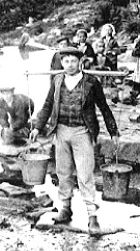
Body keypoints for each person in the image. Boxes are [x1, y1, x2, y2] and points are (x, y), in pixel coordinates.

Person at [30, 48, 120, 236]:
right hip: (61, 131)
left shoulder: (91, 82)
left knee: (85, 174)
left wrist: (113, 131)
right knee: (63, 172)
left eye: (73, 61)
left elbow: (103, 107)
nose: (69, 64)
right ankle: (65, 208)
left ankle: (92, 217)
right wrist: (38, 127)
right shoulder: (57, 80)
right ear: (62, 63)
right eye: (66, 61)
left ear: (81, 61)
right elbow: (47, 106)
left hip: (82, 132)